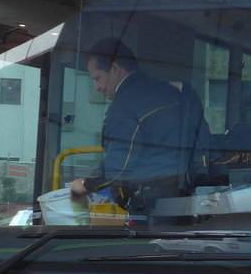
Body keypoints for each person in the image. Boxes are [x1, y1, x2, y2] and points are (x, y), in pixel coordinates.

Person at [69, 38, 206, 207]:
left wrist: (85, 184)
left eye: (97, 78)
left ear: (114, 69)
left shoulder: (125, 104)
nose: (96, 87)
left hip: (152, 199)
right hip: (189, 194)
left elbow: (120, 165)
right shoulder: (170, 92)